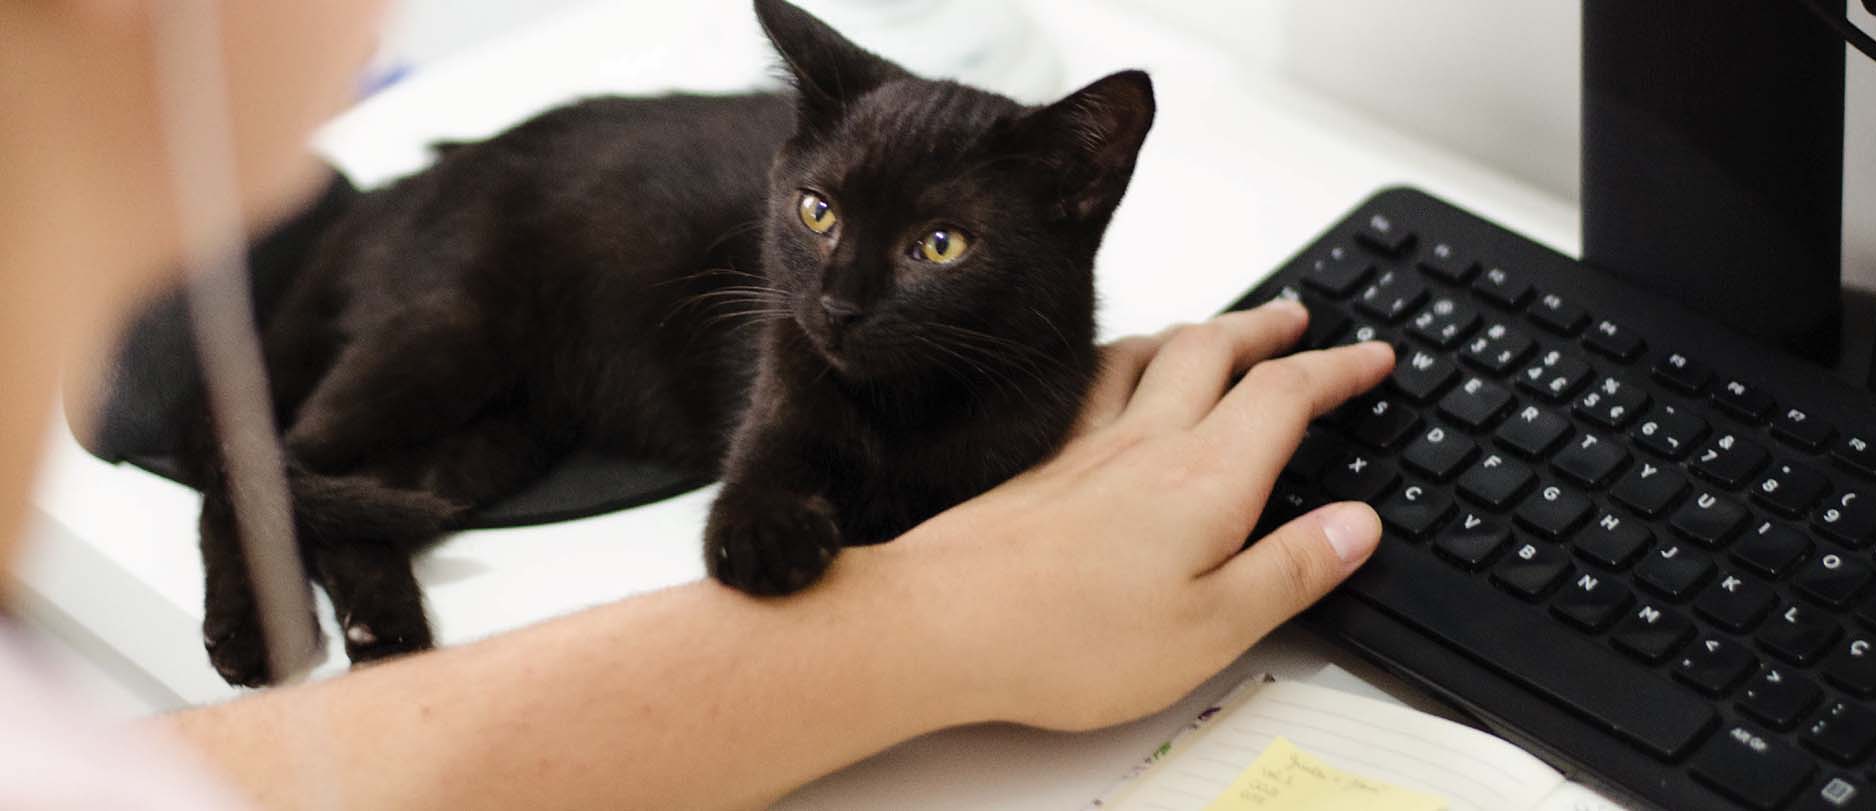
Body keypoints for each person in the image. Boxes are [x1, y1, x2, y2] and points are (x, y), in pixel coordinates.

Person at [0, 2, 1394, 808]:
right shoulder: (801, 317)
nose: (836, 294)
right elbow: (756, 523)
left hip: (586, 371)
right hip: (531, 225)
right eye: (817, 216)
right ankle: (274, 488)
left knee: (482, 444)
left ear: (1082, 192)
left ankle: (339, 524)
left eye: (936, 250)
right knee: (423, 374)